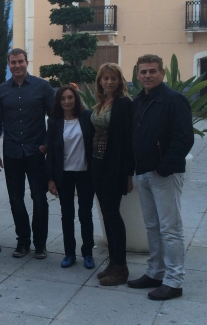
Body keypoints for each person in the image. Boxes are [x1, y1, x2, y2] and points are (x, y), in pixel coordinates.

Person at [128, 54, 194, 301]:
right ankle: (155, 272)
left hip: (163, 175)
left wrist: (163, 167)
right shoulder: (139, 102)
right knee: (152, 227)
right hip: (143, 173)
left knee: (171, 229)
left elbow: (184, 138)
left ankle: (174, 281)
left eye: (152, 71)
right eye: (143, 71)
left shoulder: (174, 100)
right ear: (137, 75)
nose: (147, 75)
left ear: (162, 73)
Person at [0, 48, 54, 259]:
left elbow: (54, 119)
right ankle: (23, 241)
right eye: (13, 62)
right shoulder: (1, 90)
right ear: (8, 65)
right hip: (12, 153)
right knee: (15, 199)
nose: (16, 66)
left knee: (39, 199)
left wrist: (47, 143)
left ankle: (40, 244)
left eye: (20, 62)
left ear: (27, 62)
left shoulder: (42, 87)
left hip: (36, 153)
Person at [90, 63, 134, 286]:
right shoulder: (100, 104)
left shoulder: (124, 105)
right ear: (100, 81)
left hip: (114, 167)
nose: (108, 82)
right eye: (105, 78)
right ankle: (113, 262)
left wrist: (128, 174)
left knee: (113, 215)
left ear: (120, 81)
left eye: (113, 78)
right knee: (107, 215)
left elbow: (127, 141)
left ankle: (121, 267)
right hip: (97, 165)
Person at [46, 85, 95, 269]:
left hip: (85, 174)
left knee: (85, 214)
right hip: (64, 175)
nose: (67, 101)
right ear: (59, 101)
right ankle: (69, 253)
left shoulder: (87, 118)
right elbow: (50, 152)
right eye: (63, 98)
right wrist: (50, 179)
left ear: (76, 99)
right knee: (67, 215)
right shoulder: (54, 122)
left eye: (70, 97)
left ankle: (88, 253)